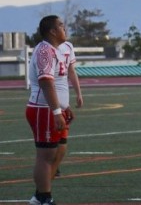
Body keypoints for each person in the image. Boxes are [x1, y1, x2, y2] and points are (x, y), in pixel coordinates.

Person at [26, 16, 68, 205]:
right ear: (52, 31)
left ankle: (39, 195)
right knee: (46, 156)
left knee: (59, 152)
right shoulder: (44, 50)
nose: (64, 27)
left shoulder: (55, 50)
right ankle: (43, 198)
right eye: (60, 25)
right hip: (43, 109)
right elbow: (46, 82)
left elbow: (58, 82)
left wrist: (64, 107)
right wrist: (57, 110)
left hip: (53, 108)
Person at [53, 40, 84, 178]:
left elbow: (71, 71)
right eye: (60, 27)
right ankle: (50, 169)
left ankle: (53, 167)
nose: (64, 30)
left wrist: (78, 94)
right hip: (48, 101)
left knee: (62, 139)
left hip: (62, 101)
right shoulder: (44, 48)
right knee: (50, 140)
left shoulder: (68, 46)